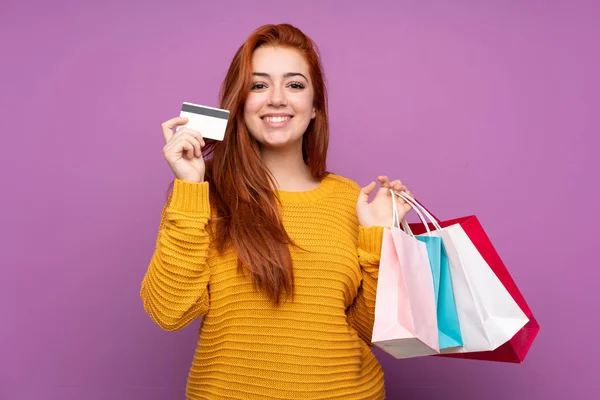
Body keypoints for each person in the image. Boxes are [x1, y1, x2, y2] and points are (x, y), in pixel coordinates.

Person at [140, 23, 413, 400]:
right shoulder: (203, 194)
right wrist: (189, 188)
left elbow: (374, 332)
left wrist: (382, 237)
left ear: (315, 107)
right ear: (240, 102)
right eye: (259, 85)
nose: (277, 99)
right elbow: (168, 312)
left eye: (295, 85)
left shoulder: (353, 200)